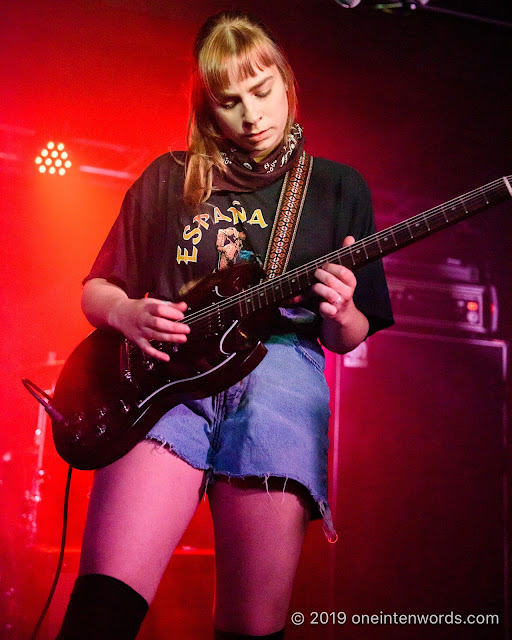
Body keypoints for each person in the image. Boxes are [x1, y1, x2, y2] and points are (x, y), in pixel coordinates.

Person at [56, 10, 393, 640]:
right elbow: (96, 290)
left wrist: (343, 310)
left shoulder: (337, 188)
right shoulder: (168, 178)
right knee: (101, 611)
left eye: (263, 92)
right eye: (230, 102)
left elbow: (348, 335)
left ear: (287, 82)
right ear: (209, 109)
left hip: (279, 376)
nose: (252, 116)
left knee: (251, 628)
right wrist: (126, 312)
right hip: (166, 383)